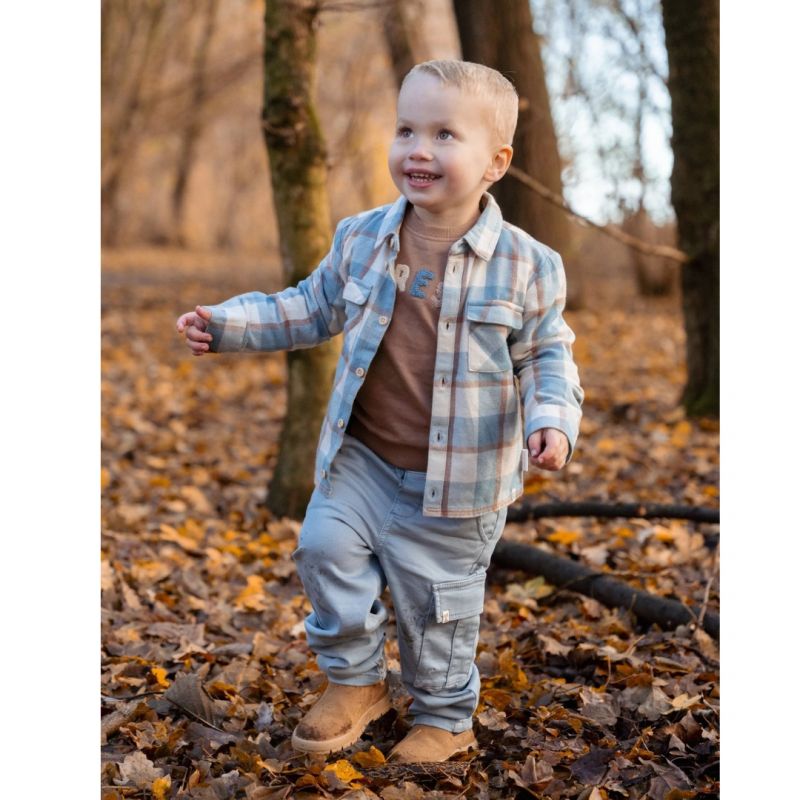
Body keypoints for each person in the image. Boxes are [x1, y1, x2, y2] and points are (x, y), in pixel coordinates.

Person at [176, 59, 583, 763]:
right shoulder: (363, 237)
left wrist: (552, 418)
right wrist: (229, 324)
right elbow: (310, 306)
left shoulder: (528, 265)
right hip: (361, 458)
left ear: (496, 162)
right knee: (323, 549)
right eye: (406, 130)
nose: (418, 150)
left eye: (444, 134)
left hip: (458, 484)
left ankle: (446, 717)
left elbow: (547, 354)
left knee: (437, 609)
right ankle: (357, 681)